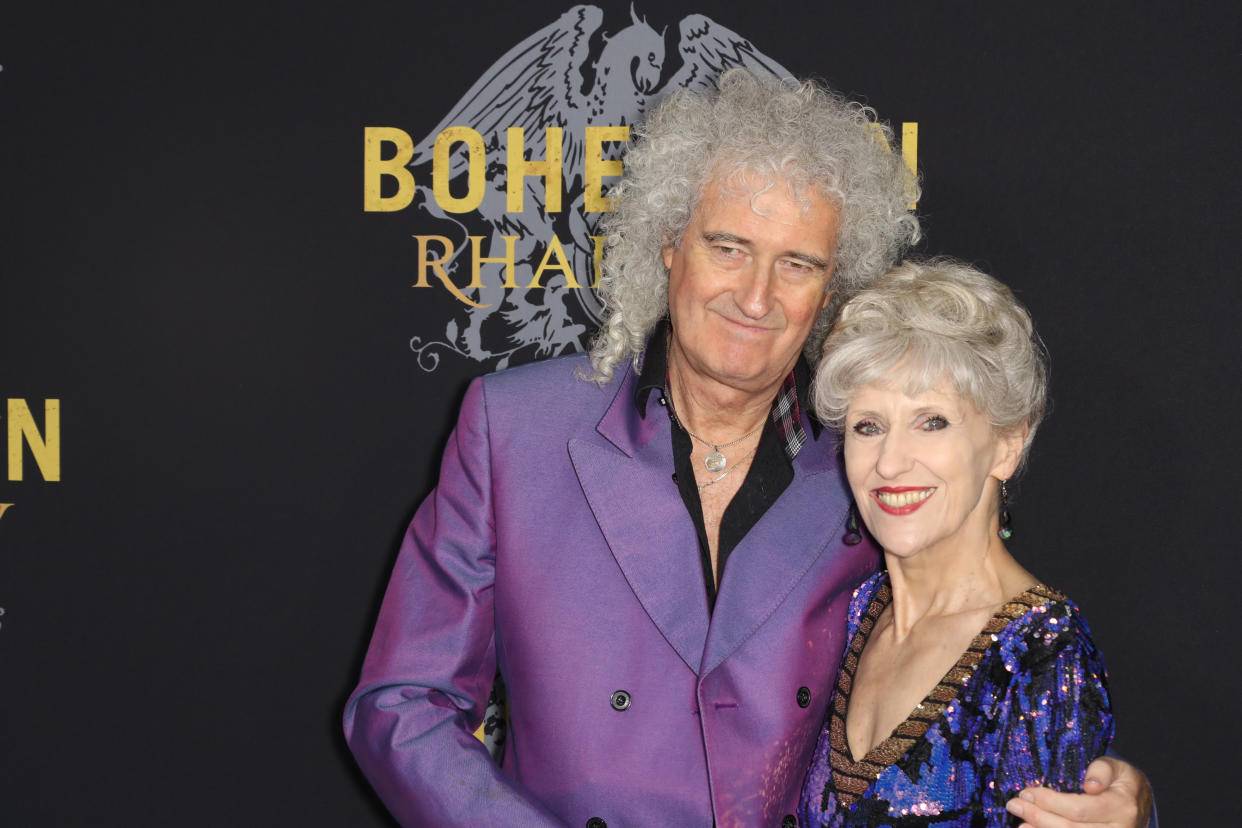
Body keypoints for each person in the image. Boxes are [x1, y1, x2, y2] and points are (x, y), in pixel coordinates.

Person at [344, 70, 1149, 827]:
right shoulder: (517, 428)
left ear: (832, 290)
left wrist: (1122, 803)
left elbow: (980, 663)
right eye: (728, 247)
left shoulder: (871, 461)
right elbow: (402, 704)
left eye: (797, 263)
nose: (756, 297)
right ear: (669, 247)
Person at [799, 259, 1115, 826]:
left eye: (932, 421)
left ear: (1007, 444)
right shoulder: (849, 614)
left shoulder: (1040, 658)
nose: (890, 463)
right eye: (869, 426)